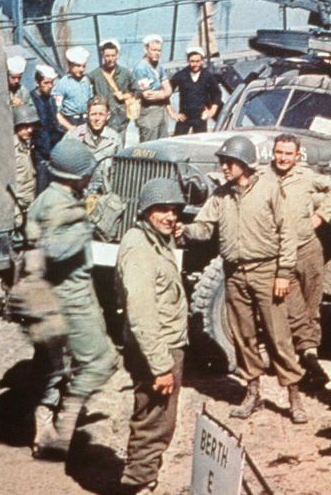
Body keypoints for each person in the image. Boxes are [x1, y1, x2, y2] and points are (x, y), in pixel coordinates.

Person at [177, 135, 307, 422]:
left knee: (278, 336)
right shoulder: (221, 195)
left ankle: (294, 395)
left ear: (245, 164)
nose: (223, 167)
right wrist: (185, 230)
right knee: (243, 336)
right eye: (223, 162)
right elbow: (204, 228)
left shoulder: (270, 189)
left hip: (266, 271)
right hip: (234, 273)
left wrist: (283, 272)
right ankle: (253, 392)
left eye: (229, 162)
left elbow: (288, 233)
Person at [26, 139, 119, 458]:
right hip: (65, 300)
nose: (88, 179)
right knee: (75, 364)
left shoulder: (45, 200)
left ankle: (50, 424)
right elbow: (54, 250)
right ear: (74, 175)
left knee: (54, 365)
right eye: (85, 174)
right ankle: (54, 429)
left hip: (52, 300)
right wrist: (84, 226)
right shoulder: (61, 206)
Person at [116, 179, 188, 493]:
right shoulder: (140, 248)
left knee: (156, 420)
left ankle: (145, 477)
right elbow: (141, 311)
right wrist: (161, 365)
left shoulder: (153, 240)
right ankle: (138, 483)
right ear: (146, 211)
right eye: (162, 210)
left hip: (161, 344)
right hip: (156, 348)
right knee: (153, 423)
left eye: (174, 210)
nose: (170, 217)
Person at [266, 133, 331, 388]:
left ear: (297, 156)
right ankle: (302, 360)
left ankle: (311, 356)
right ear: (273, 152)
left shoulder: (306, 176)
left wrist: (321, 216)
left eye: (289, 154)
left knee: (312, 307)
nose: (283, 158)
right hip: (280, 254)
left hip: (309, 249)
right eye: (279, 152)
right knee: (292, 308)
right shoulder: (264, 177)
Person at [63, 96, 122, 190]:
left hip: (104, 192)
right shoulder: (73, 136)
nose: (97, 118)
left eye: (101, 114)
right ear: (87, 115)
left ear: (108, 116)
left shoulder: (114, 139)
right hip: (78, 190)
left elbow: (119, 171)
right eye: (93, 114)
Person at [88, 38, 136, 139]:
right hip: (102, 121)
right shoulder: (94, 74)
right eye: (107, 56)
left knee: (119, 150)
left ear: (117, 55)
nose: (110, 59)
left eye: (113, 55)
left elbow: (137, 91)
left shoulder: (125, 73)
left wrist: (124, 96)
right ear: (102, 56)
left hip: (120, 121)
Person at [168, 48, 222, 136]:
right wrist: (172, 114)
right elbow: (167, 93)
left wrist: (212, 111)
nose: (195, 64)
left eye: (197, 61)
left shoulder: (207, 75)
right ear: (188, 61)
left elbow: (217, 93)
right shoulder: (181, 75)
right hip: (184, 117)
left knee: (200, 144)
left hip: (200, 117)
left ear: (202, 61)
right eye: (192, 61)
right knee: (178, 142)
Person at [133, 34, 172, 142]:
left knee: (163, 143)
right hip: (149, 113)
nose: (157, 53)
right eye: (154, 50)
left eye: (159, 50)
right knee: (149, 145)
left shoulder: (159, 66)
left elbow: (169, 89)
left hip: (161, 111)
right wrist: (164, 93)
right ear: (146, 49)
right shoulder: (141, 68)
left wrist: (162, 93)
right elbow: (148, 95)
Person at [31, 64, 63, 193]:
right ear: (38, 82)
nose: (50, 86)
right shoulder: (32, 99)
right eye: (46, 83)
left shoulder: (50, 99)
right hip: (39, 151)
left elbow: (54, 122)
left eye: (51, 83)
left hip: (52, 149)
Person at [13, 104, 39, 234]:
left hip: (29, 201)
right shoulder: (11, 148)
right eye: (25, 126)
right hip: (16, 203)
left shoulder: (28, 144)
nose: (30, 130)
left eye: (31, 126)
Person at [55, 46, 93, 132]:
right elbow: (56, 112)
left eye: (84, 66)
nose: (82, 69)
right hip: (70, 122)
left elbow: (91, 100)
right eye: (78, 66)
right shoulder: (63, 84)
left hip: (86, 120)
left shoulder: (86, 81)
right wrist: (70, 128)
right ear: (70, 65)